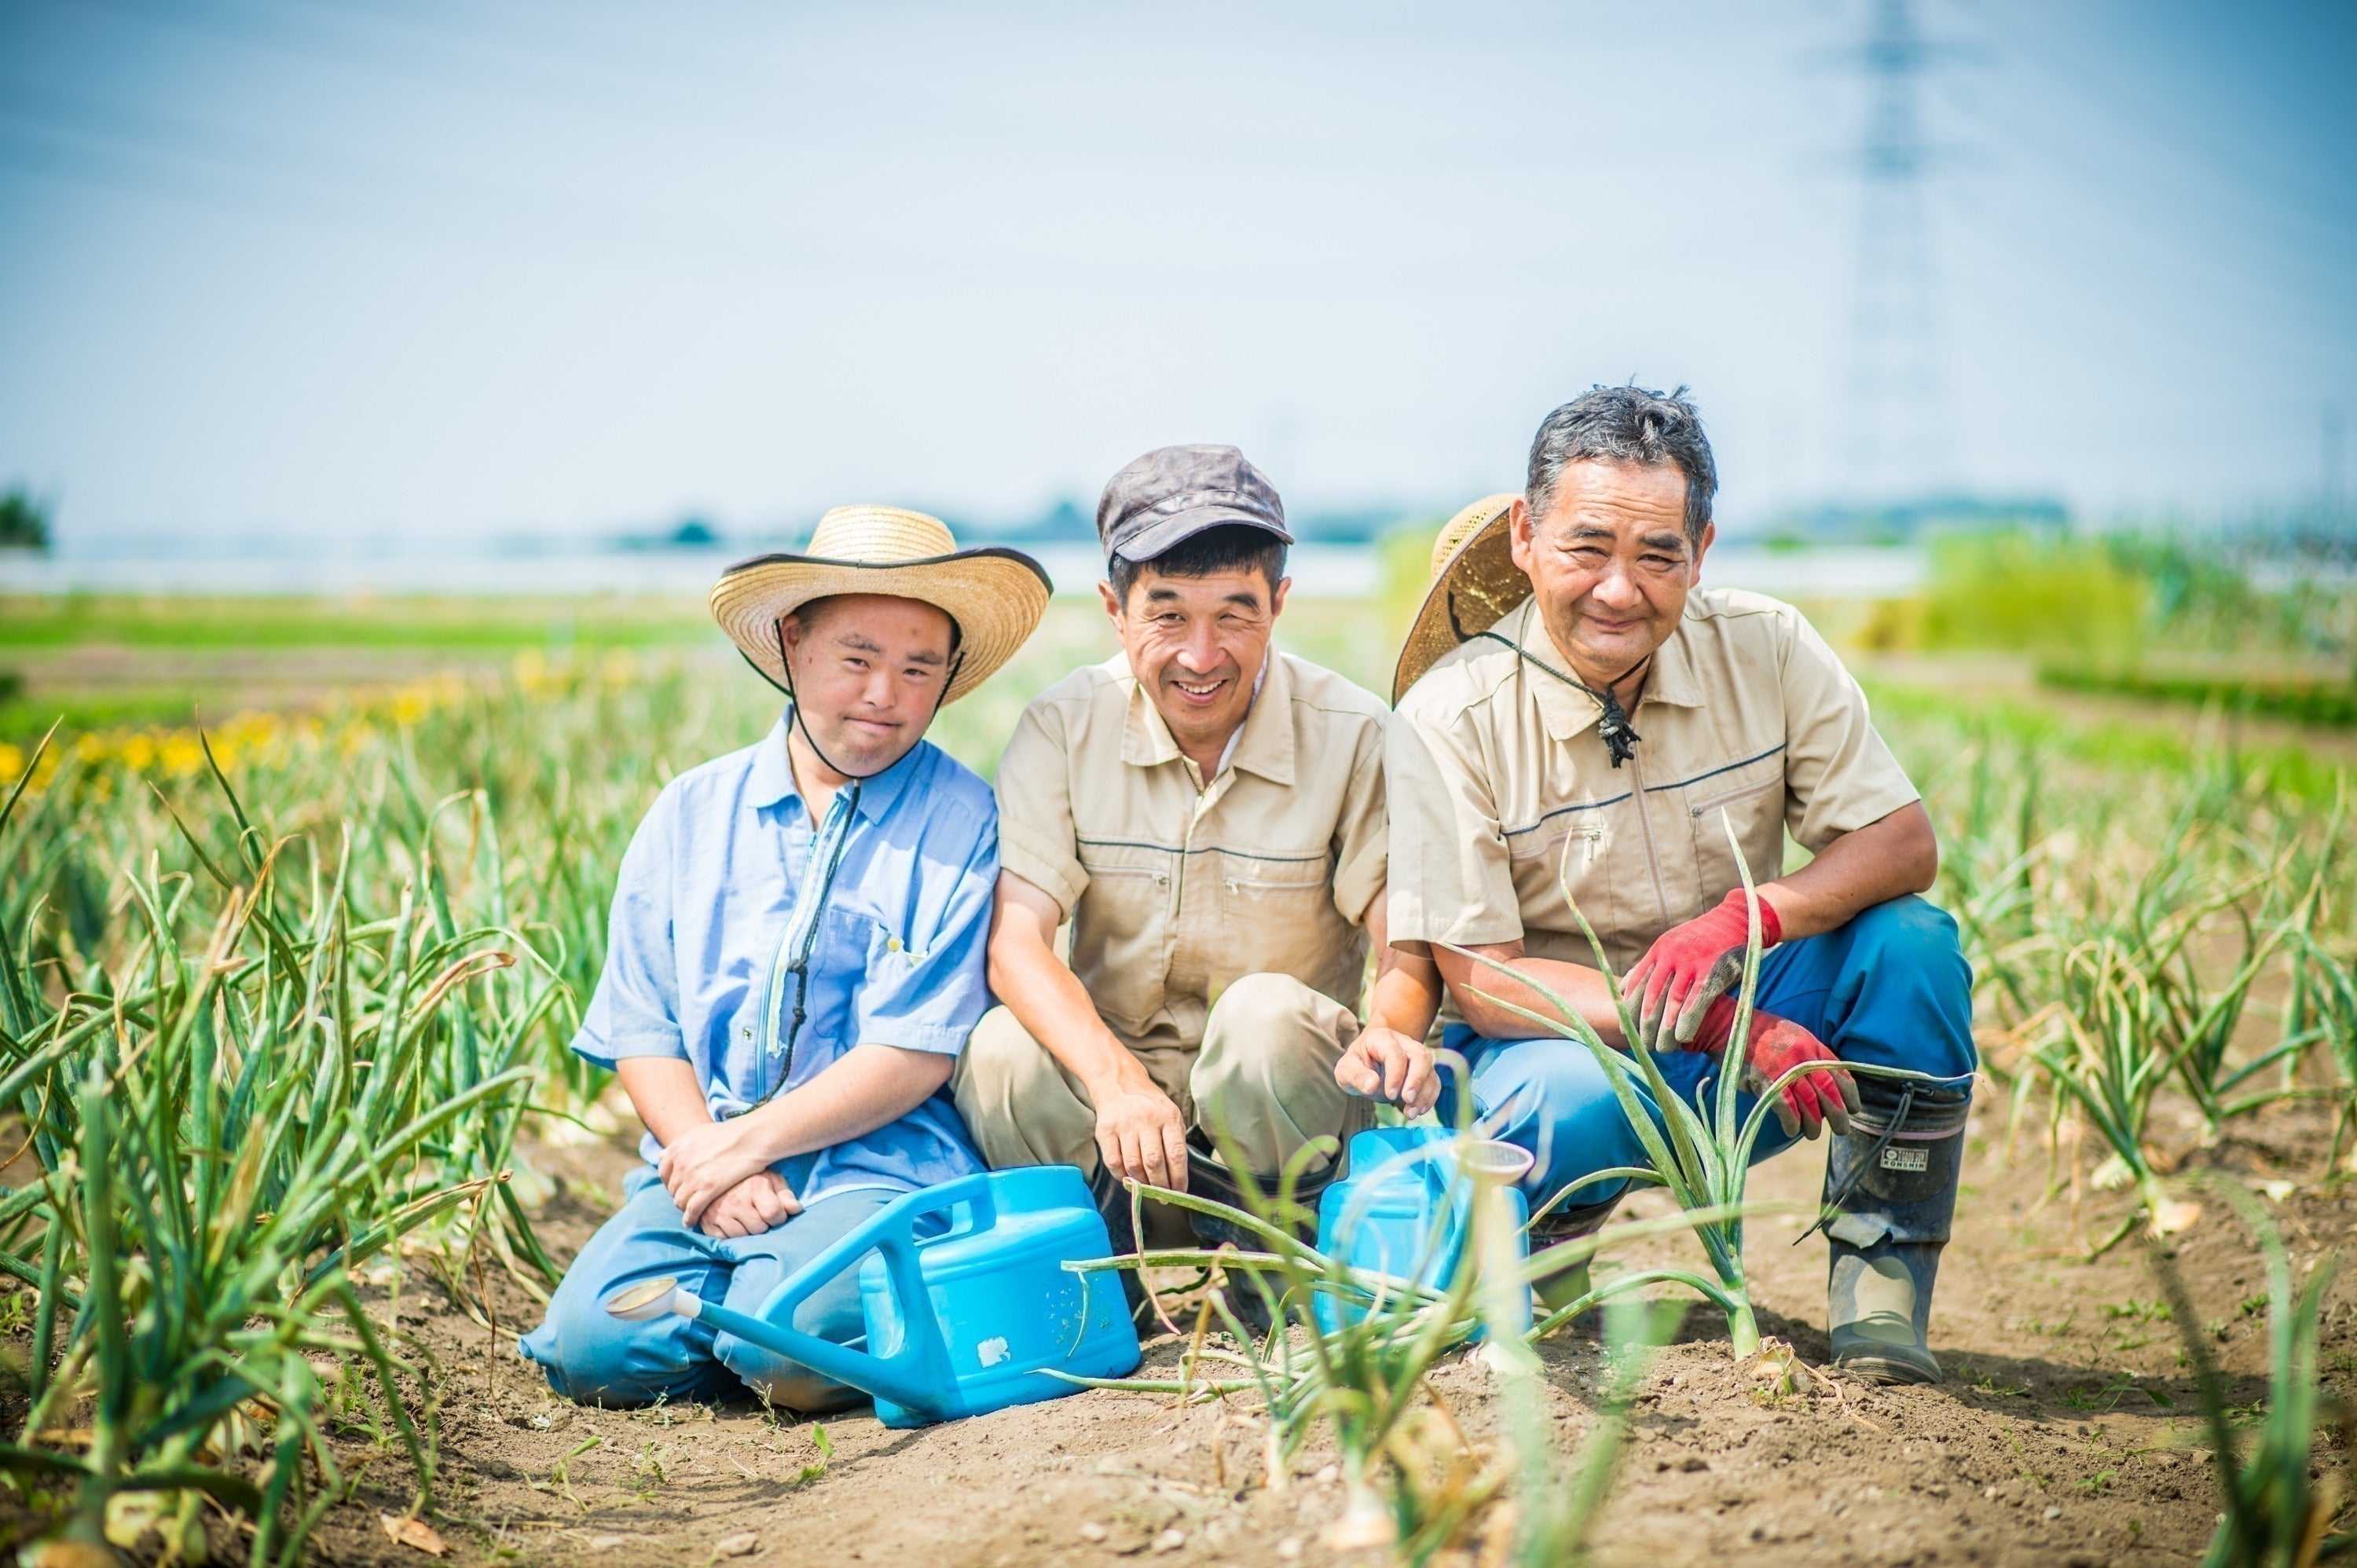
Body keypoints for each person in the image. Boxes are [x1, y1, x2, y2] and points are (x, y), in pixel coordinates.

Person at [1386, 387, 1975, 1384]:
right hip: (1562, 1055)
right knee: (1559, 1100)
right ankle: (1544, 1240)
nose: (1621, 588)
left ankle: (1882, 1280)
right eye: (1587, 547)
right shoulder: (1452, 717)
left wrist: (1746, 917)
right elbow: (1482, 980)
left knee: (1913, 946)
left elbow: (1900, 840)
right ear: (1525, 536)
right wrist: (1720, 1025)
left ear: (1701, 552)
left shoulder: (1770, 644)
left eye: (1658, 555)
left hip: (1763, 1008)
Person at [519, 507, 1050, 1409]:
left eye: (918, 667)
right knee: (588, 1347)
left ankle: (761, 1319)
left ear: (947, 677)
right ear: (792, 642)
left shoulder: (964, 824)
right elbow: (643, 1027)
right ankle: (747, 1304)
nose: (886, 691)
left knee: (795, 1349)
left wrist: (743, 1148)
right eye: (857, 658)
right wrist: (706, 1157)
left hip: (880, 1168)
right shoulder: (689, 813)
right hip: (699, 1164)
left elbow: (913, 1051)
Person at [954, 443, 1440, 1260]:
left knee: (1262, 1016)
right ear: (1117, 609)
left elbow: (1407, 952)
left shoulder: (1355, 734)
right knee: (998, 1049)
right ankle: (1100, 1265)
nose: (1202, 655)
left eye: (1235, 613)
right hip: (1118, 1138)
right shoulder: (1062, 726)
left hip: (1285, 1125)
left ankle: (1274, 1261)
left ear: (1279, 603)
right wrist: (1116, 1083)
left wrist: (1390, 1030)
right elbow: (1016, 942)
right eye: (1168, 614)